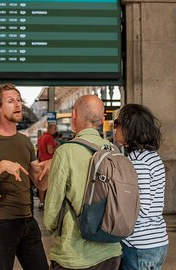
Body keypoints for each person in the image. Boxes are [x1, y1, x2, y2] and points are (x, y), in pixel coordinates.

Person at [0, 83, 50, 270]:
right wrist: (1, 166)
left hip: (28, 221)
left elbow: (40, 184)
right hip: (1, 224)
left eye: (19, 100)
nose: (18, 105)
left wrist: (49, 169)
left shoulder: (25, 141)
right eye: (10, 101)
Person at [43, 95, 122, 270]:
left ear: (74, 115)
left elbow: (52, 208)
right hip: (111, 251)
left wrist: (54, 229)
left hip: (74, 254)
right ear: (102, 120)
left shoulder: (65, 152)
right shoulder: (114, 151)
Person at [112, 103, 168, 270]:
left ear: (130, 129)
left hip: (140, 245)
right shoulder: (150, 156)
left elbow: (142, 207)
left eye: (117, 124)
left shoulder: (138, 162)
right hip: (154, 240)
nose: (115, 128)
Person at [36, 123, 58, 209]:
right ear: (50, 129)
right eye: (54, 129)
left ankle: (41, 202)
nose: (55, 131)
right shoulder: (49, 137)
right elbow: (50, 151)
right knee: (50, 184)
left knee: (42, 184)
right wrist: (56, 146)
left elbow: (39, 151)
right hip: (49, 163)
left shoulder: (41, 137)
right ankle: (49, 203)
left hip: (41, 162)